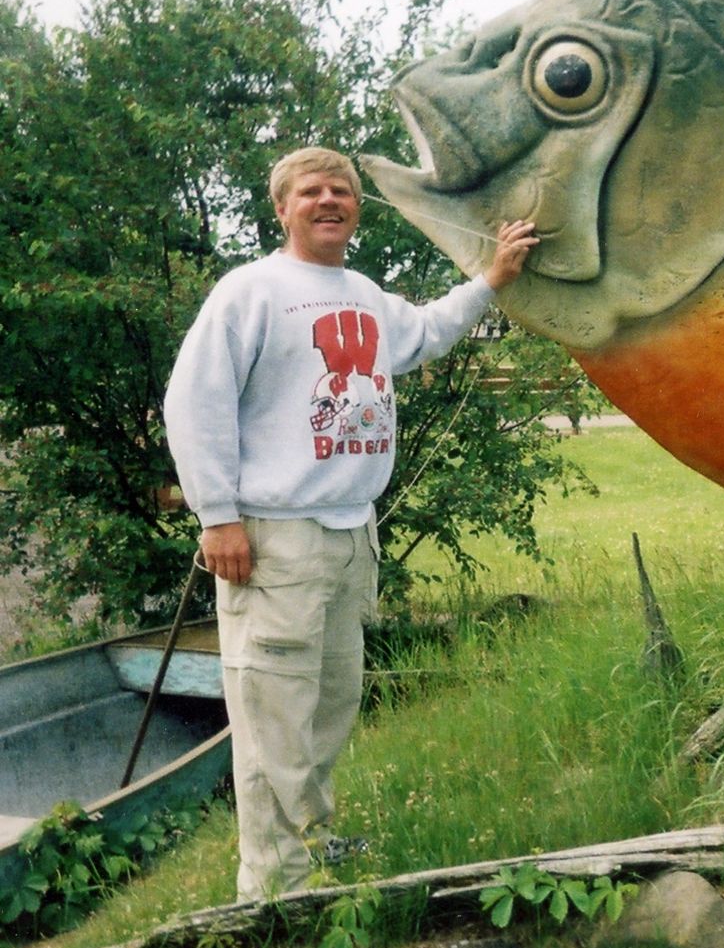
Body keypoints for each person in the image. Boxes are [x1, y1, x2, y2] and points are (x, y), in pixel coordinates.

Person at [164, 146, 537, 901]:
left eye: (342, 190)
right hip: (275, 538)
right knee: (273, 714)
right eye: (311, 190)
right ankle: (273, 889)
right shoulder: (252, 292)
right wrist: (218, 517)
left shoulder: (363, 292)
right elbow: (193, 401)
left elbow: (425, 333)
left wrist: (491, 280)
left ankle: (317, 846)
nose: (328, 199)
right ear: (283, 208)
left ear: (357, 209)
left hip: (350, 534)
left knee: (329, 703)